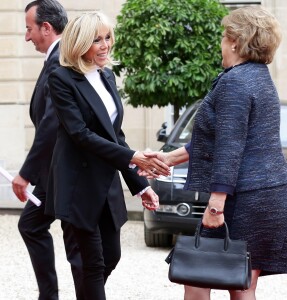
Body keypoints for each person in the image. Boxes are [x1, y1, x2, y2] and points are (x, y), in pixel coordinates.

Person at [142, 6, 287, 300]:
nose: (221, 44)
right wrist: (169, 158)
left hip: (244, 198)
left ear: (235, 41)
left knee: (199, 277)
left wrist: (216, 205)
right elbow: (228, 138)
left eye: (224, 38)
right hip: (267, 194)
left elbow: (229, 147)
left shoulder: (235, 82)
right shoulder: (259, 76)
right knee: (241, 282)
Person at [44, 11, 170, 299]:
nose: (105, 45)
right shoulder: (61, 78)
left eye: (107, 38)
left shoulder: (107, 76)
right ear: (79, 43)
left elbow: (116, 135)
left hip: (106, 183)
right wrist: (135, 157)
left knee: (111, 257)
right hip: (77, 186)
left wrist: (141, 186)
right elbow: (79, 134)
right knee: (93, 264)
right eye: (96, 40)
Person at [12, 1, 84, 299]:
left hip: (64, 171)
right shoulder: (58, 58)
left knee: (78, 248)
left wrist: (25, 173)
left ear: (46, 27)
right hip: (55, 171)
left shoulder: (60, 61)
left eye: (29, 29)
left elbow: (52, 123)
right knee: (33, 226)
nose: (27, 37)